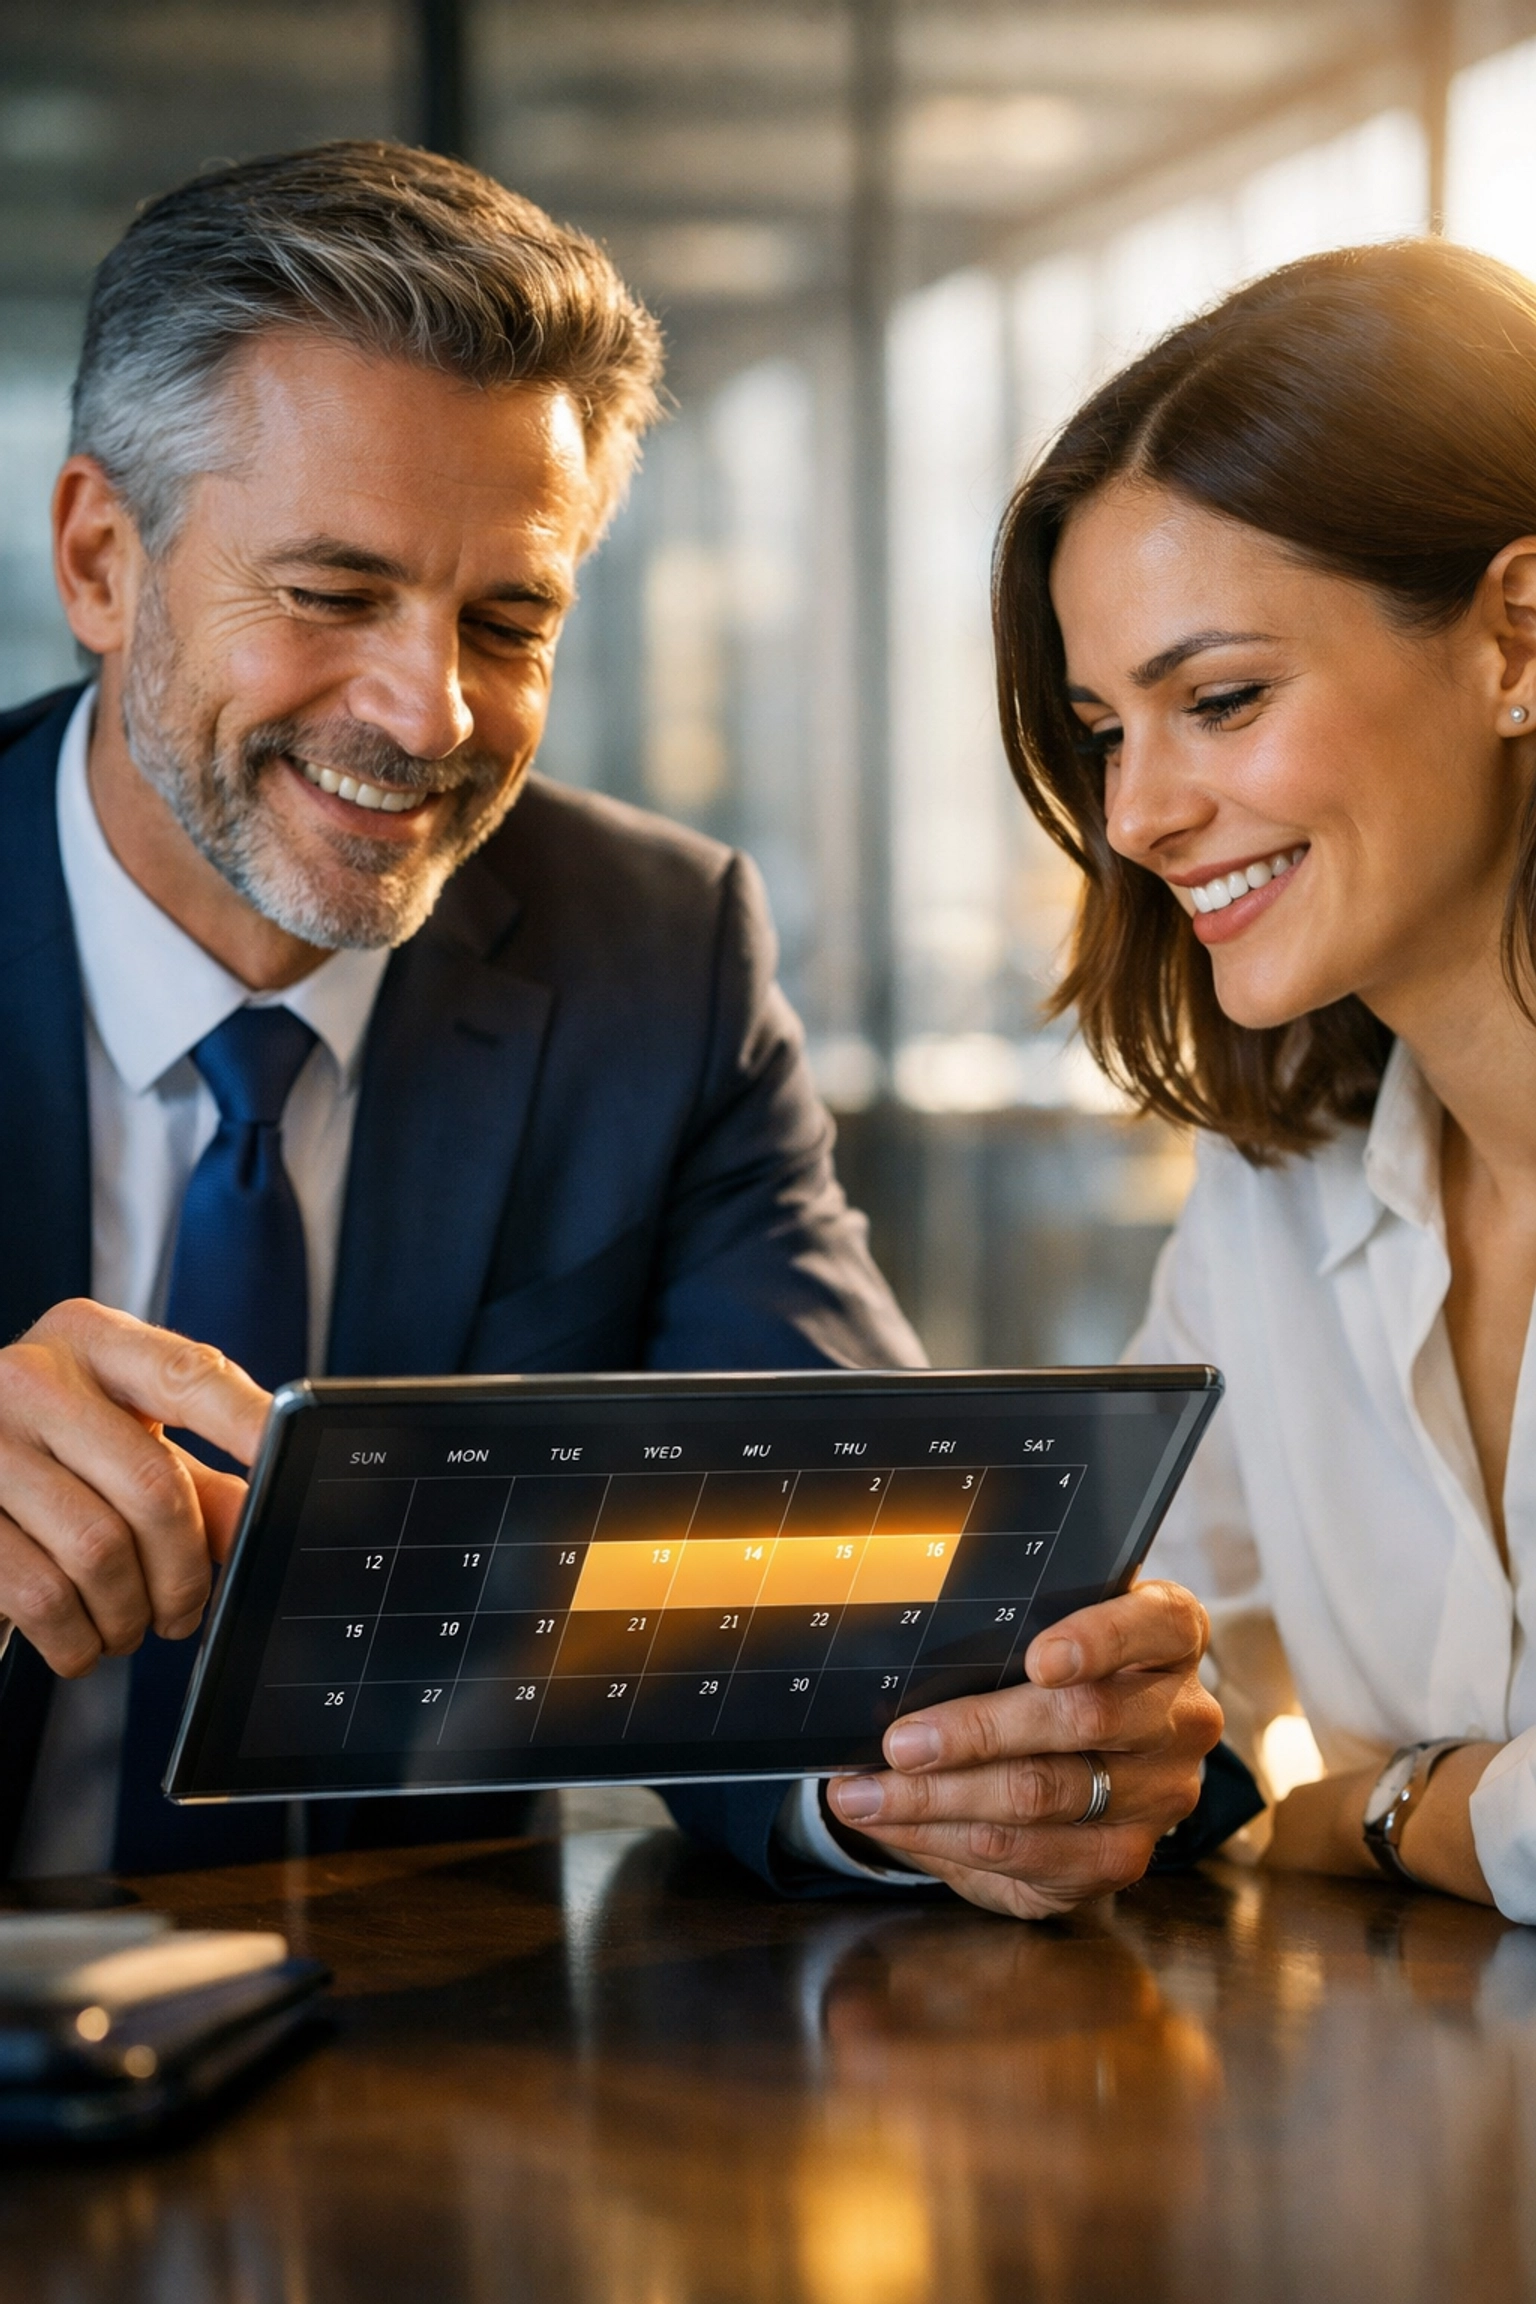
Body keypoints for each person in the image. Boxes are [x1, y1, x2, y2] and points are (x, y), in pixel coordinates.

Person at [0, 141, 1223, 1912]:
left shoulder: (655, 956)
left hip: (433, 2049)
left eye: (509, 618)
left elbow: (868, 1568)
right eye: (333, 595)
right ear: (103, 558)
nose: (428, 713)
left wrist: (963, 1771)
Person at [993, 233, 1536, 1922]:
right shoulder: (1276, 1191)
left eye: (1218, 700)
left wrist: (1393, 1822)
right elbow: (1134, 1651)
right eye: (1104, 732)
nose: (1139, 814)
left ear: (1516, 642)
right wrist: (1076, 1762)